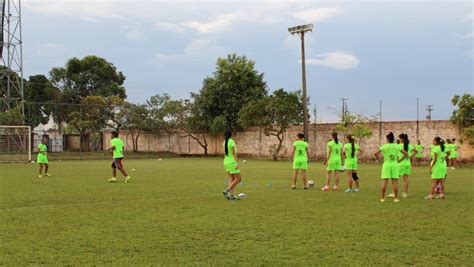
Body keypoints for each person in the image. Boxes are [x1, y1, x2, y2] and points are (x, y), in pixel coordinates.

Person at [375, 132, 408, 203]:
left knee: (385, 182)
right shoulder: (397, 146)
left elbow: (375, 154)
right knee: (395, 182)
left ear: (387, 139)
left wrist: (380, 160)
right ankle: (395, 198)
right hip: (395, 165)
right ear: (393, 139)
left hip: (386, 165)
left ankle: (382, 198)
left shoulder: (384, 146)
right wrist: (399, 160)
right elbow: (406, 154)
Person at [388, 134, 417, 198]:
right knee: (406, 179)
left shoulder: (399, 146)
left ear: (402, 139)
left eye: (400, 139)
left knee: (395, 178)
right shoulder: (410, 145)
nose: (399, 140)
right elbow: (416, 151)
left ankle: (394, 193)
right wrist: (410, 156)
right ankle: (405, 193)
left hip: (400, 164)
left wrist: (399, 160)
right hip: (407, 164)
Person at [222, 130, 242, 200]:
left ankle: (232, 196)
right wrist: (236, 163)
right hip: (231, 163)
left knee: (231, 179)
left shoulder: (224, 142)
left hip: (226, 162)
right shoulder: (231, 142)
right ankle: (226, 191)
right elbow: (234, 153)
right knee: (239, 179)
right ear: (231, 135)